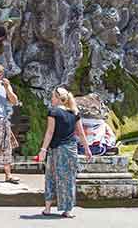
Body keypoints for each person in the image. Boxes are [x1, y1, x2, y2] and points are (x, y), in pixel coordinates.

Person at [38, 87, 92, 218]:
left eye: (52, 97)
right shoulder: (74, 113)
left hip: (57, 150)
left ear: (58, 98)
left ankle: (47, 208)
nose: (51, 99)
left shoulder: (53, 112)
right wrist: (87, 149)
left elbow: (50, 132)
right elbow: (81, 133)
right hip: (71, 149)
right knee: (68, 179)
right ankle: (67, 210)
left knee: (51, 177)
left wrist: (43, 149)